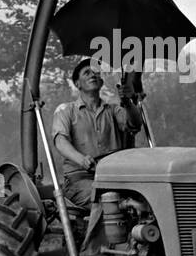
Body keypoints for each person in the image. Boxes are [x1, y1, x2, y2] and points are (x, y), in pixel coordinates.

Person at [51, 55, 144, 207]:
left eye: (96, 72)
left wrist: (127, 101)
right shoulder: (65, 110)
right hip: (80, 180)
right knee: (109, 199)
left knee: (145, 194)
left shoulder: (114, 110)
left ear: (101, 81)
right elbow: (60, 141)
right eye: (87, 73)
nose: (93, 74)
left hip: (114, 178)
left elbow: (134, 124)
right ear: (77, 84)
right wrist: (82, 160)